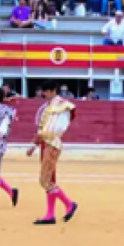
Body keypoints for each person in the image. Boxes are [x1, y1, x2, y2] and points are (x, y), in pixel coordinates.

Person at [26, 80, 79, 225]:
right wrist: (36, 144)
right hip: (47, 144)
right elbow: (43, 129)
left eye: (45, 91)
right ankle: (50, 215)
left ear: (53, 90)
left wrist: (34, 144)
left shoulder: (61, 105)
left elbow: (53, 129)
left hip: (51, 144)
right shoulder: (48, 106)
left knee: (45, 181)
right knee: (50, 180)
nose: (43, 94)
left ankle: (69, 204)